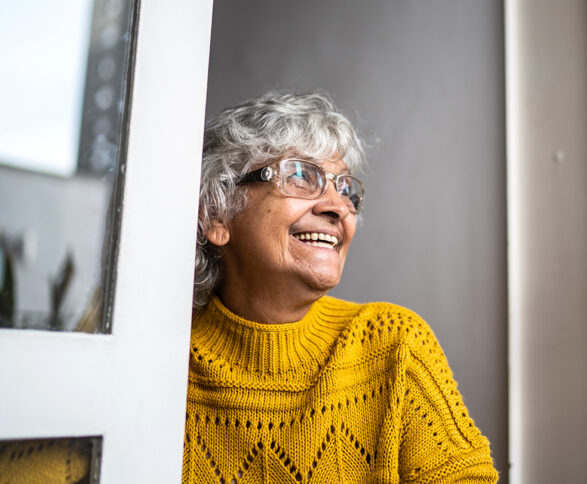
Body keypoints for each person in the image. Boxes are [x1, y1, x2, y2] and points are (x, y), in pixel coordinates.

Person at [185, 91, 498, 483]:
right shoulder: (161, 359)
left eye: (345, 188)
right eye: (300, 175)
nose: (338, 207)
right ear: (216, 214)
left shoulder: (395, 346)